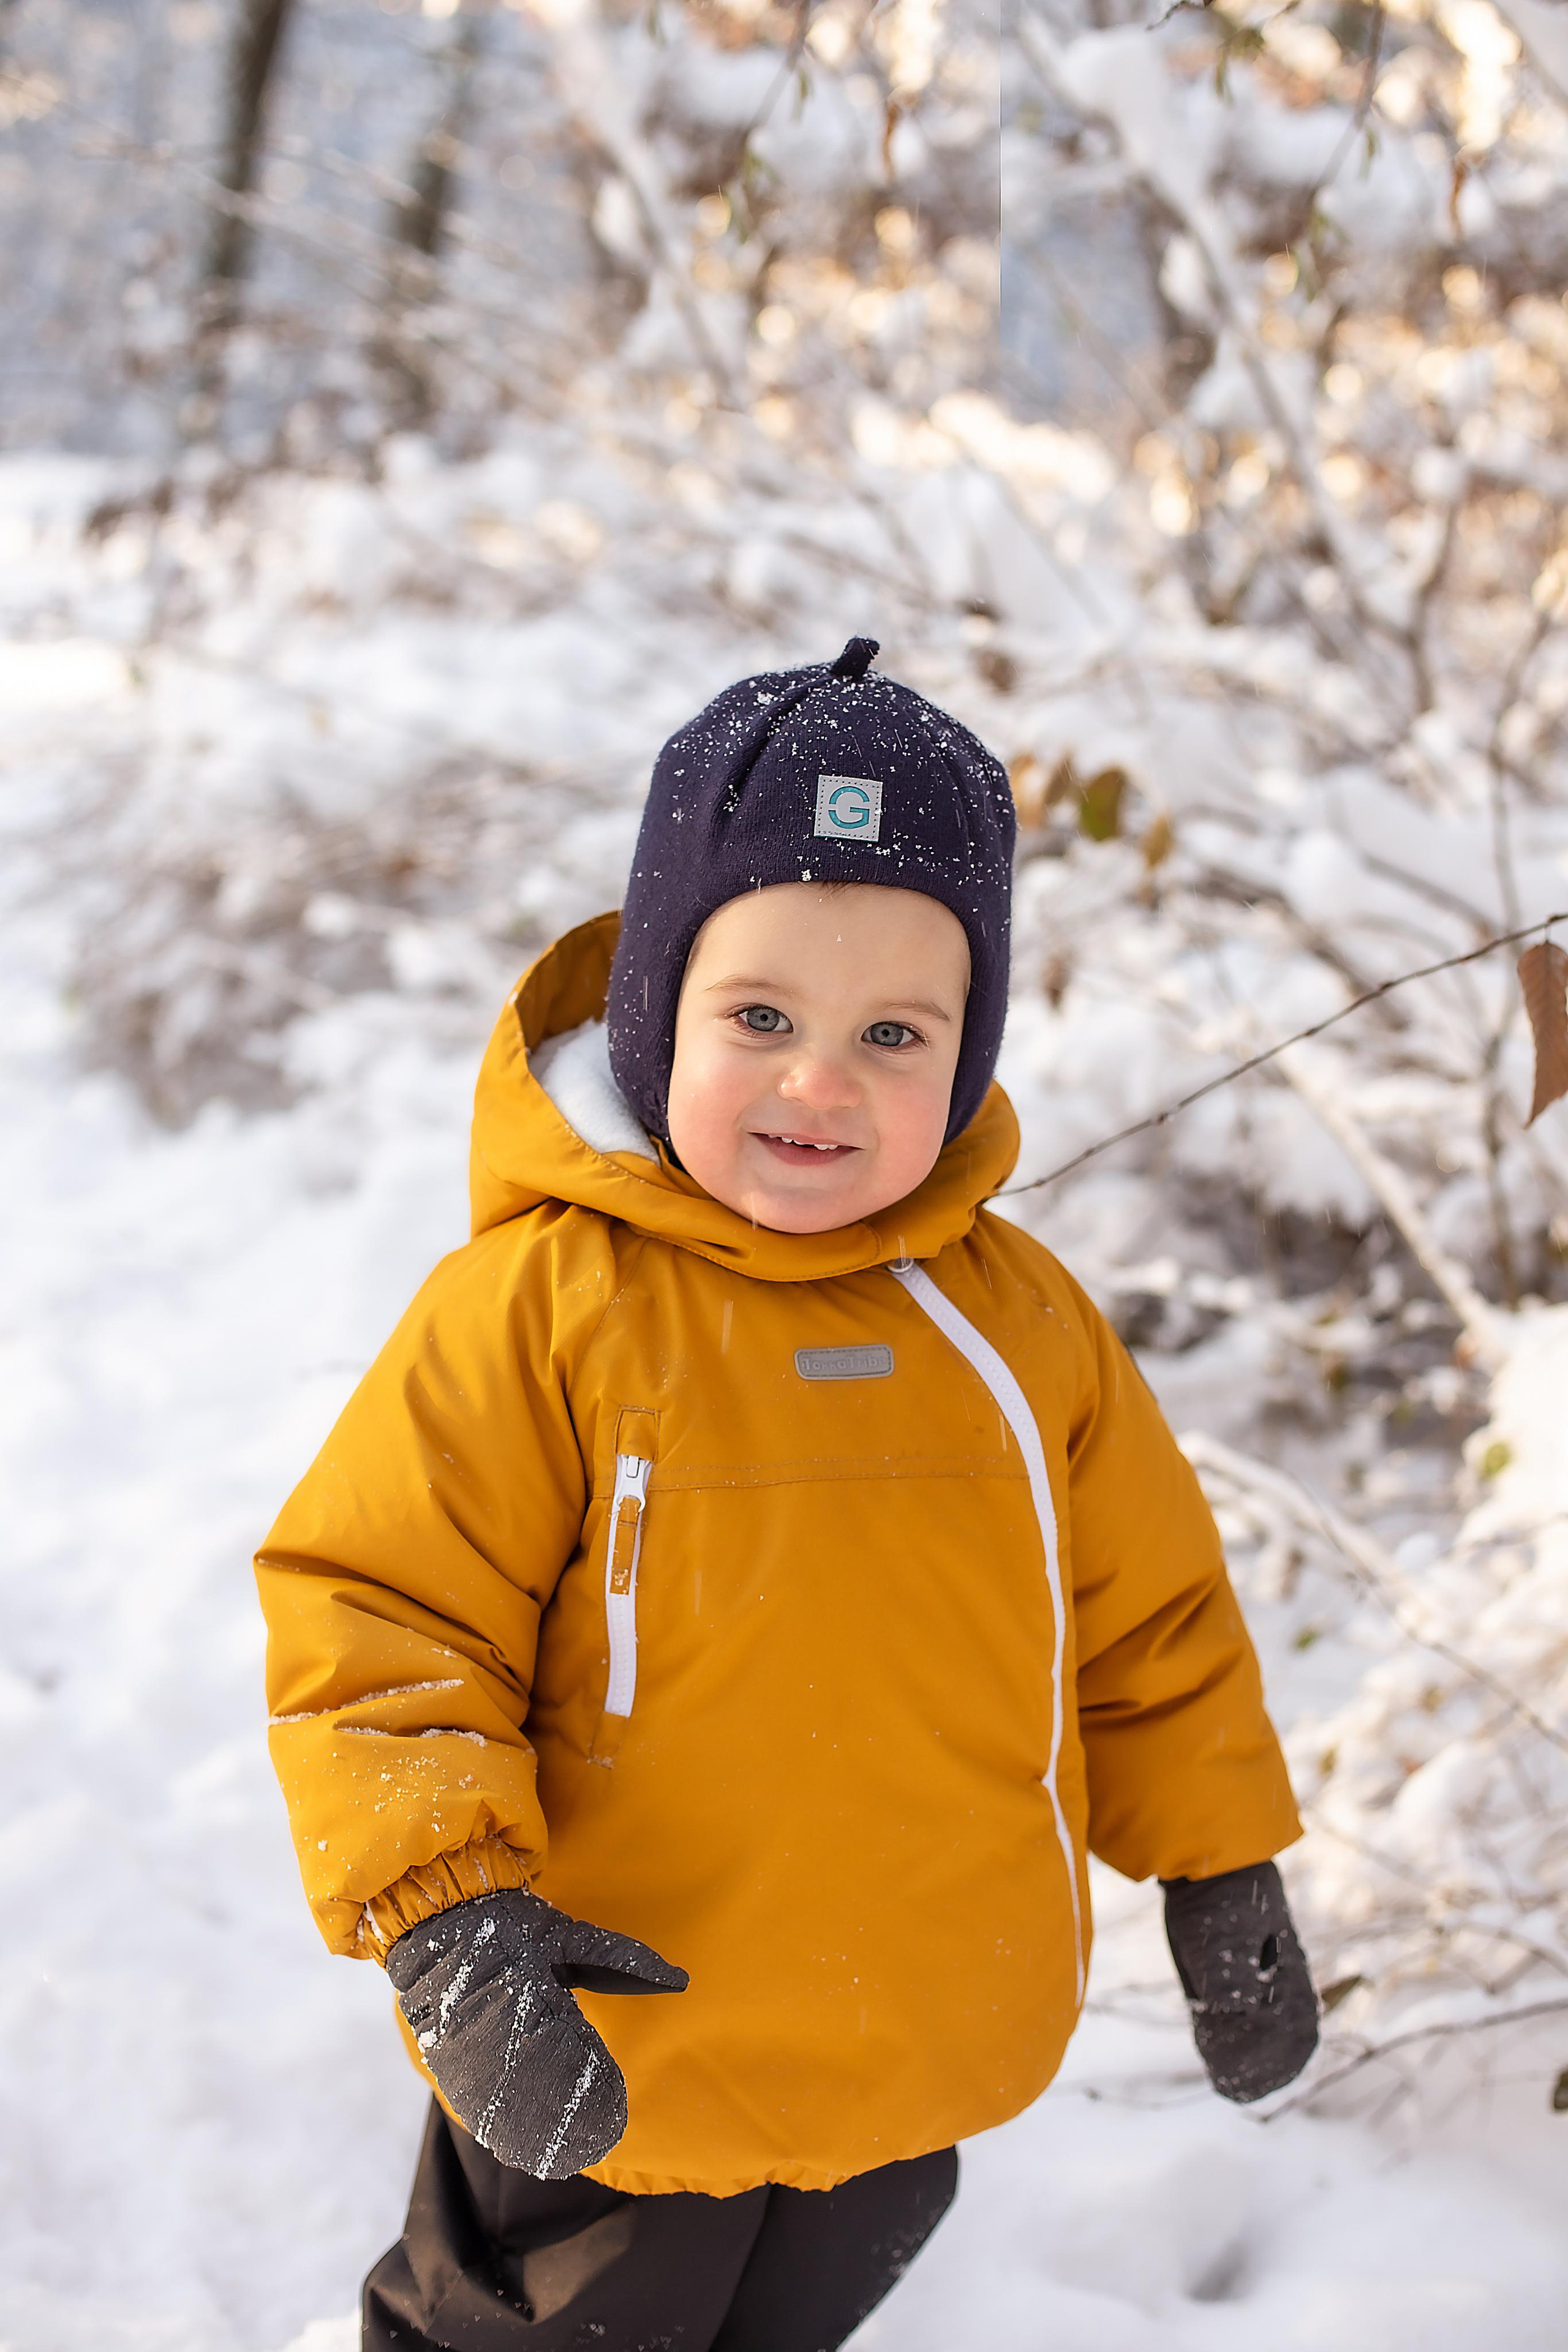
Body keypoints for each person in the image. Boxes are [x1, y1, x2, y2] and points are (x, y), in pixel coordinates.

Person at [255, 638, 1318, 2352]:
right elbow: (377, 1619)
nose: (822, 1084)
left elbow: (1149, 1613)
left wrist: (1222, 1866)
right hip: (601, 2053)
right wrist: (445, 1922)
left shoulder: (1018, 1324)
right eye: (761, 1019)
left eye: (894, 1033)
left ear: (970, 1054)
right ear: (658, 1008)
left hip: (907, 2049)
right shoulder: (546, 1308)